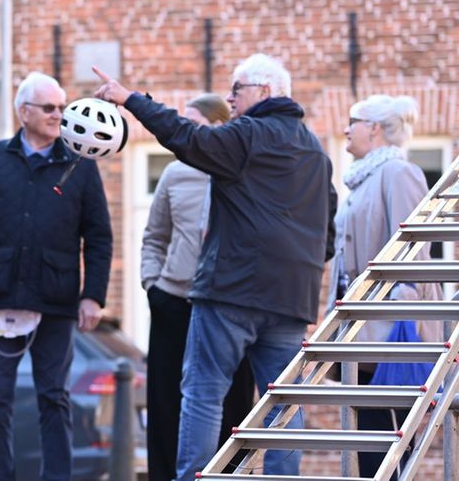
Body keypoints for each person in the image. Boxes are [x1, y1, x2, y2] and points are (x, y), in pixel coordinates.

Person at [92, 54, 335, 480]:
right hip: (291, 300)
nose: (229, 97)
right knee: (284, 400)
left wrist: (131, 99)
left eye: (236, 88)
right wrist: (301, 266)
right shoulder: (315, 151)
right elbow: (328, 232)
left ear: (264, 91)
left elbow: (186, 137)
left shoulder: (248, 135)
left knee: (203, 393)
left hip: (231, 292)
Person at [0, 71, 114, 481]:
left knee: (54, 397)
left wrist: (93, 295)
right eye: (50, 107)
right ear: (23, 112)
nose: (60, 115)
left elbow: (99, 237)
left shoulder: (80, 164)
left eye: (63, 107)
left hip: (55, 301)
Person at [141, 93, 255, 481]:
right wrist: (152, 286)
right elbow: (154, 237)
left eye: (195, 125)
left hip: (227, 304)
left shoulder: (243, 172)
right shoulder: (174, 174)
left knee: (233, 403)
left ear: (221, 129)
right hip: (173, 302)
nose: (185, 134)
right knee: (166, 403)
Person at [330, 93, 434, 478]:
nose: (345, 128)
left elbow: (413, 249)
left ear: (373, 129)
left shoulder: (397, 173)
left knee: (386, 448)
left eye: (352, 121)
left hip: (388, 333)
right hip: (361, 329)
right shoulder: (364, 178)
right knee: (370, 445)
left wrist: (396, 315)